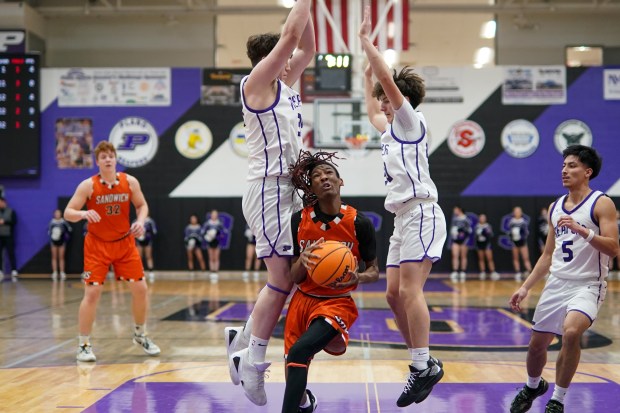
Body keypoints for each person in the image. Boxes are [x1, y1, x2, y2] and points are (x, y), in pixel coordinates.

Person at [224, 0, 315, 406]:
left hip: (288, 190)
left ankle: (242, 337)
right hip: (267, 189)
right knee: (281, 281)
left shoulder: (285, 85)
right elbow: (293, 37)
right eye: (281, 56)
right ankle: (252, 361)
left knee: (290, 279)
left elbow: (307, 47)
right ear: (267, 61)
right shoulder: (256, 85)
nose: (290, 61)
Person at [360, 6, 447, 408]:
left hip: (422, 212)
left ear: (402, 100)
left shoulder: (412, 121)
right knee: (393, 295)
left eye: (386, 98)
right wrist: (365, 79)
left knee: (411, 291)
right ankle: (423, 362)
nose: (381, 104)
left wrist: (367, 45)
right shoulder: (391, 132)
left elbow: (386, 82)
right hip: (401, 218)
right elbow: (370, 110)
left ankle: (421, 364)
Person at [509, 145, 618, 413]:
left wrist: (584, 231)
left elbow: (614, 248)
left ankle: (557, 399)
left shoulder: (601, 203)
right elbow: (547, 255)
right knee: (536, 347)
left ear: (587, 172)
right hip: (556, 284)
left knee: (571, 332)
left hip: (588, 284)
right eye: (563, 166)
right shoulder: (555, 207)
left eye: (572, 166)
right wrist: (525, 288)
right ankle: (533, 385)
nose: (564, 170)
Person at [281, 150, 379, 413]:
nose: (324, 177)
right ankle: (304, 403)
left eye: (329, 174)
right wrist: (302, 260)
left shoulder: (360, 223)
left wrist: (358, 276)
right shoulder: (299, 221)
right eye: (316, 176)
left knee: (300, 351)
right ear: (311, 186)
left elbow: (374, 271)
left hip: (336, 302)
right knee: (293, 363)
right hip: (302, 300)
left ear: (340, 182)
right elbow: (293, 276)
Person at [64, 141, 160, 362]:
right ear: (97, 162)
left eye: (111, 155)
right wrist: (83, 214)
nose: (108, 159)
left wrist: (141, 221)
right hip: (97, 245)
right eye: (103, 156)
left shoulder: (130, 182)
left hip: (124, 243)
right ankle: (84, 344)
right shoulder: (88, 186)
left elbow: (142, 206)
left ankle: (140, 334)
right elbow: (69, 212)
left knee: (141, 288)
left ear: (116, 159)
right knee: (93, 293)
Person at [509, 206, 533, 281]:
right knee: (515, 258)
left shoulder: (523, 222)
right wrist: (512, 237)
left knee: (525, 258)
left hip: (522, 242)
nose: (517, 213)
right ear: (514, 213)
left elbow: (526, 232)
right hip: (514, 242)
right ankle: (518, 272)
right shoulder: (512, 222)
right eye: (516, 211)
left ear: (521, 212)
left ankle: (529, 272)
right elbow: (510, 232)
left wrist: (522, 235)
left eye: (518, 211)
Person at [202, 209, 226, 282]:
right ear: (211, 215)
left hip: (217, 242)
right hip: (210, 242)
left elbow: (223, 232)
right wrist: (208, 235)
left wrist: (218, 234)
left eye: (215, 214)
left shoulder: (219, 224)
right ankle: (212, 272)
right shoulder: (207, 224)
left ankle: (216, 272)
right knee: (211, 257)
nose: (214, 216)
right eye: (213, 214)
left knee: (216, 257)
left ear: (217, 215)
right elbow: (203, 232)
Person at [48, 208, 72, 280]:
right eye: (56, 213)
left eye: (59, 213)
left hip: (62, 242)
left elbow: (69, 229)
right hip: (53, 242)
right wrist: (53, 236)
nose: (57, 214)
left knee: (61, 257)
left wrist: (65, 237)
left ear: (61, 214)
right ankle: (55, 272)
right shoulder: (52, 222)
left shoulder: (63, 222)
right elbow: (49, 232)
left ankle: (62, 272)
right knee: (54, 257)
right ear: (54, 214)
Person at [449, 206, 472, 282]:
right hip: (455, 240)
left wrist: (463, 233)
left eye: (455, 210)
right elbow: (452, 229)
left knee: (463, 256)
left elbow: (469, 231)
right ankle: (455, 271)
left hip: (464, 241)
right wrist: (454, 233)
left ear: (459, 210)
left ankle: (463, 272)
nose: (454, 211)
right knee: (455, 255)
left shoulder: (466, 220)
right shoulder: (454, 219)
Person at [474, 213, 500, 280]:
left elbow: (490, 234)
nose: (482, 219)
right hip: (479, 244)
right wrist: (478, 234)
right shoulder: (477, 226)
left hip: (487, 244)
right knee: (481, 258)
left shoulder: (488, 226)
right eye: (481, 218)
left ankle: (493, 272)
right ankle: (482, 272)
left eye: (483, 218)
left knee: (489, 258)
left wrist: (484, 232)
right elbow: (474, 236)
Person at [0, 196, 18, 279]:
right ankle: (0, 270)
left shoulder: (11, 211)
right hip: (0, 236)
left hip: (8, 235)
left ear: (4, 202)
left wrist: (5, 221)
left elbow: (14, 221)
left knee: (11, 252)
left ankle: (14, 270)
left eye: (1, 202)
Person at [135, 216, 157, 282]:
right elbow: (132, 231)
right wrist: (138, 234)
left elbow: (154, 231)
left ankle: (151, 273)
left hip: (148, 240)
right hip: (139, 241)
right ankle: (139, 273)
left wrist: (147, 233)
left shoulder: (150, 221)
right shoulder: (136, 221)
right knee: (139, 257)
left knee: (148, 256)